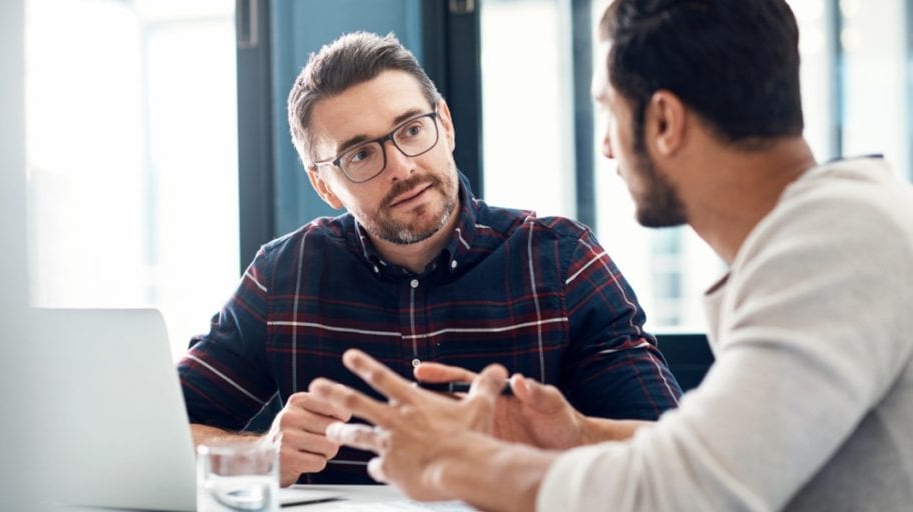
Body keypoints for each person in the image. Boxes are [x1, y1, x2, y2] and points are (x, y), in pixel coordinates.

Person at [309, 0, 913, 510]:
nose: (604, 146)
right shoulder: (833, 232)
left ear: (664, 122)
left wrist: (457, 465)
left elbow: (688, 491)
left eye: (607, 108)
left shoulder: (837, 243)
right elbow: (725, 453)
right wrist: (575, 433)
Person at [176, 31, 683, 486]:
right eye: (360, 155)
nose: (401, 166)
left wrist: (566, 435)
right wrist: (258, 454)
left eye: (412, 129)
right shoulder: (282, 276)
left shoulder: (563, 261)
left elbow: (673, 454)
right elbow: (159, 433)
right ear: (323, 184)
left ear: (445, 123)